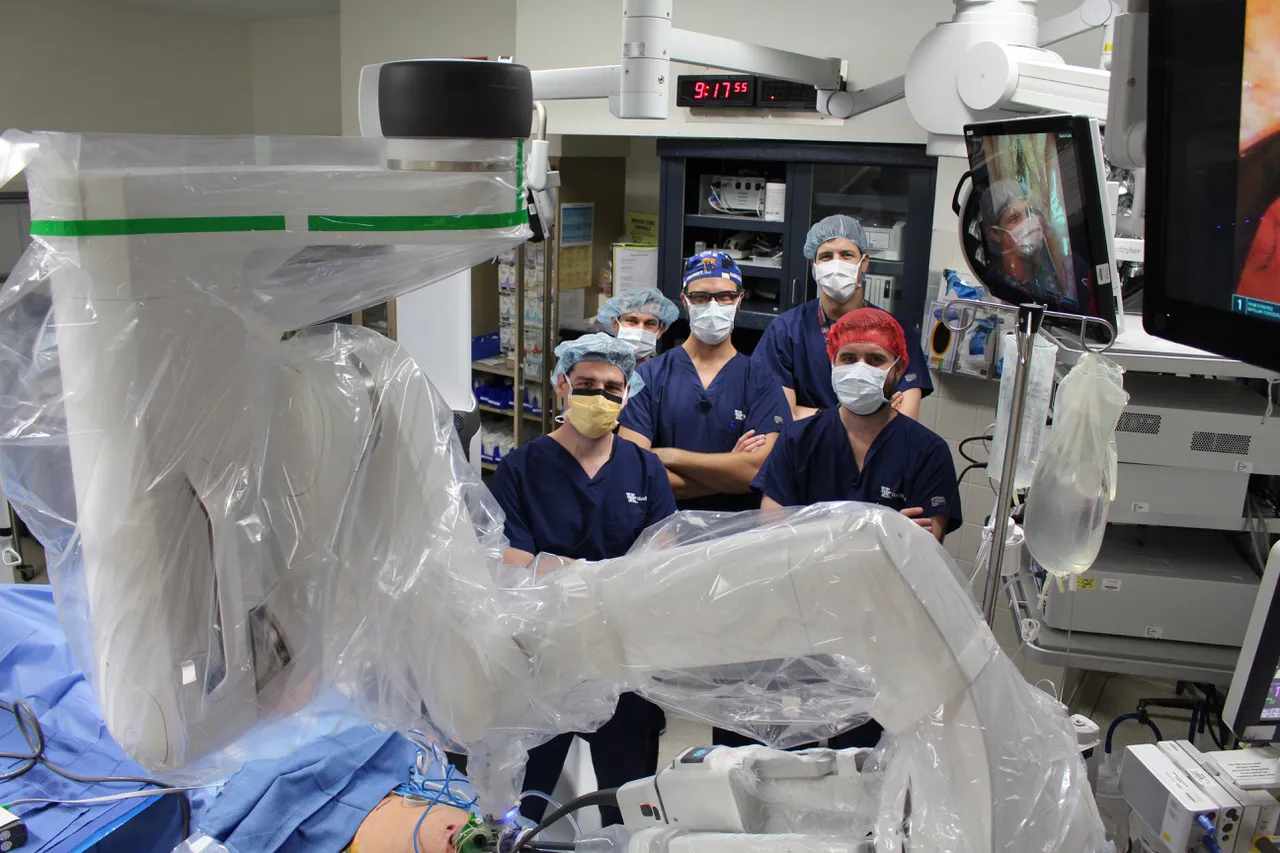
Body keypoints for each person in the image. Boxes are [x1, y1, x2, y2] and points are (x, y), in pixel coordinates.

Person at [489, 332, 676, 826]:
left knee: (630, 801)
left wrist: (569, 573)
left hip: (622, 663)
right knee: (524, 802)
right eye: (587, 383)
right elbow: (507, 559)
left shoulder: (645, 470)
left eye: (613, 387)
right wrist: (597, 579)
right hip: (542, 659)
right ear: (561, 387)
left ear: (627, 394)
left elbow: (662, 557)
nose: (600, 396)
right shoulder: (521, 468)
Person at [753, 308, 962, 543]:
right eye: (849, 359)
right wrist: (886, 532)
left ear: (899, 368)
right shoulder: (797, 439)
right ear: (833, 364)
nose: (860, 369)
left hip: (887, 580)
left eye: (875, 360)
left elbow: (926, 544)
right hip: (807, 578)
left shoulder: (928, 452)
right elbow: (772, 533)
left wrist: (812, 528)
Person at [618, 252, 791, 511]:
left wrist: (668, 455)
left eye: (724, 297)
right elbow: (635, 470)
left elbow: (758, 470)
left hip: (737, 535)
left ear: (739, 300)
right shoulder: (650, 377)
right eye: (700, 297)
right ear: (685, 300)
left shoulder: (761, 381)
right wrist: (731, 471)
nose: (713, 306)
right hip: (664, 531)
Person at [752, 214, 932, 422]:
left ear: (864, 263)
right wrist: (874, 417)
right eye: (826, 256)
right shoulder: (786, 330)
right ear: (814, 264)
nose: (836, 265)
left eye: (846, 255)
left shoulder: (897, 331)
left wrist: (810, 414)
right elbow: (780, 416)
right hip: (807, 450)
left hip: (875, 453)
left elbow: (905, 421)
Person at [980, 179, 1096, 316]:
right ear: (995, 233)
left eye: (1031, 212)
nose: (1029, 222)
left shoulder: (1069, 267)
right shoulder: (997, 287)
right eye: (1015, 218)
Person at [596, 287, 680, 363]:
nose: (640, 329)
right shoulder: (599, 370)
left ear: (660, 330)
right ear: (615, 324)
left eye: (649, 323)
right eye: (632, 321)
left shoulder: (665, 374)